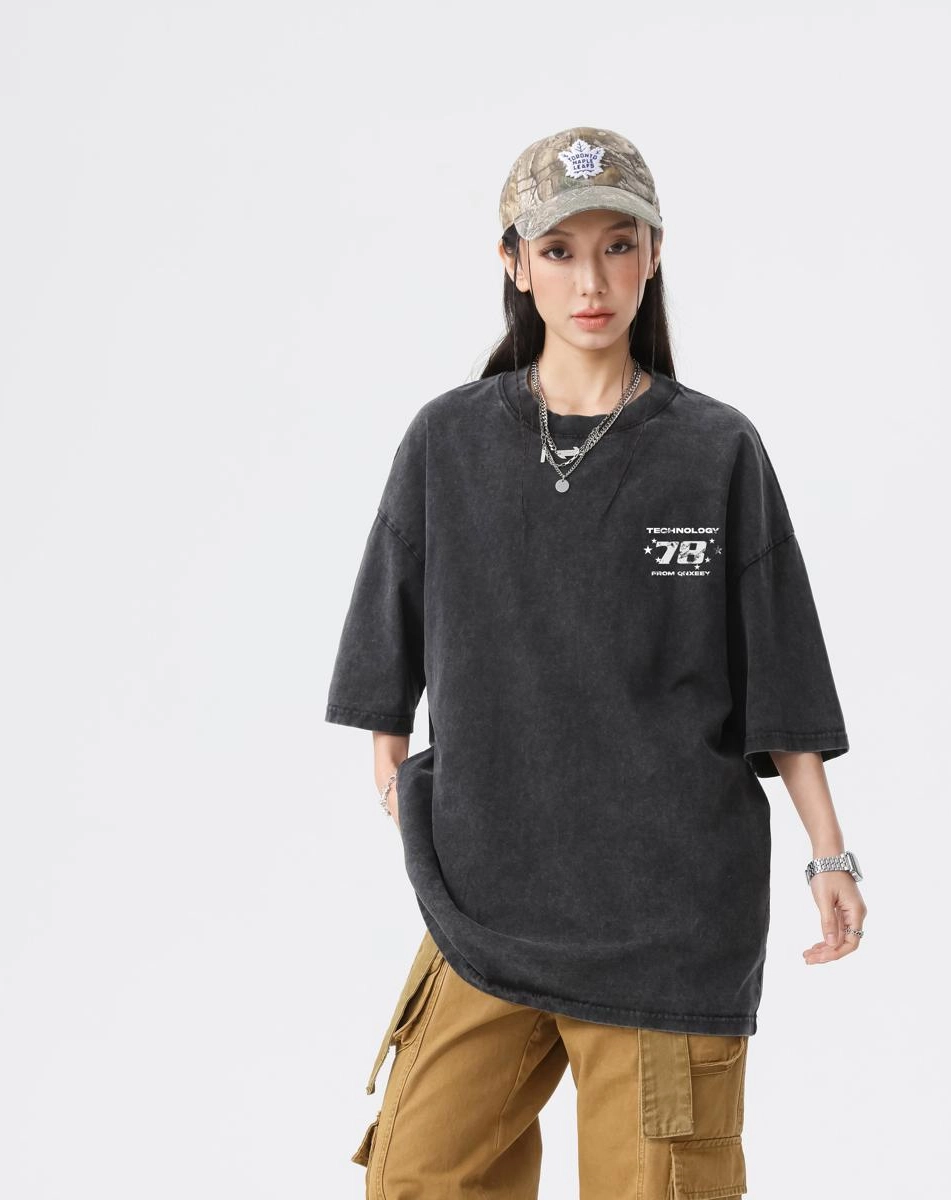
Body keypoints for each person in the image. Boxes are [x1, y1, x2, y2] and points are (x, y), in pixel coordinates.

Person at [324, 125, 867, 1199]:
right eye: (560, 250)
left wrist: (829, 854)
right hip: (484, 909)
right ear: (514, 264)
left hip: (668, 923)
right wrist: (393, 769)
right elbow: (391, 633)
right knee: (417, 1175)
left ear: (654, 255)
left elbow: (782, 666)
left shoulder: (714, 450)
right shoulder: (449, 441)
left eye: (618, 245)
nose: (591, 281)